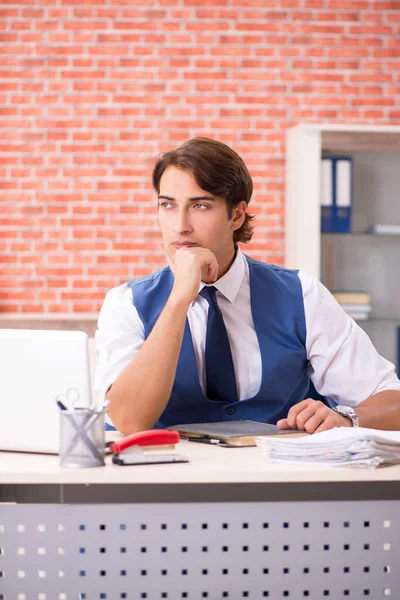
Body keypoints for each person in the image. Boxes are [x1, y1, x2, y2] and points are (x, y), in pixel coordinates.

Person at [94, 137, 400, 435]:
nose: (180, 226)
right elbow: (127, 420)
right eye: (168, 205)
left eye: (200, 206)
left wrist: (346, 418)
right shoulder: (127, 303)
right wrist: (179, 299)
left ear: (237, 215)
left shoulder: (301, 295)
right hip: (169, 479)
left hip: (276, 478)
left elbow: (391, 400)